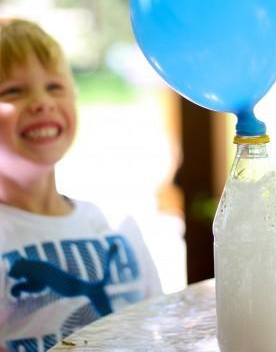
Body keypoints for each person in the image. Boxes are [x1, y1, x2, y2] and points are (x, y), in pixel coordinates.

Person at [0, 19, 162, 352]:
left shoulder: (117, 224)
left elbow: (160, 327)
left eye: (55, 86)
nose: (42, 102)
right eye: (13, 91)